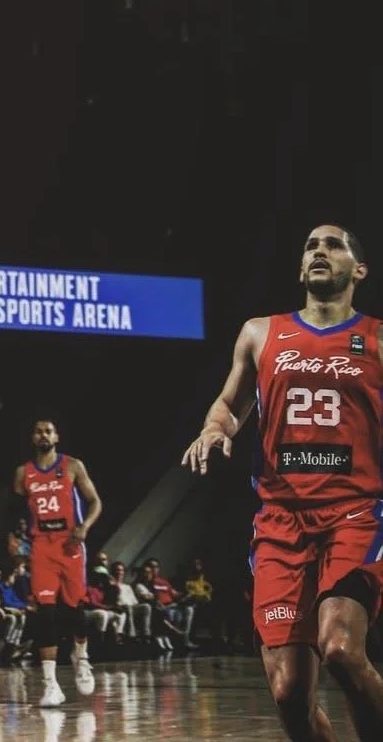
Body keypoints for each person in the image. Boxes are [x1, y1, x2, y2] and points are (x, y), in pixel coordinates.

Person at [182, 222, 383, 742]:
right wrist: (214, 429)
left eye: (333, 245)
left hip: (355, 515)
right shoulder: (260, 332)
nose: (319, 251)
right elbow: (230, 404)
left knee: (341, 649)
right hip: (279, 523)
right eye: (311, 245)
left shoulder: (378, 338)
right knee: (290, 692)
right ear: (300, 268)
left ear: (359, 270)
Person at [13, 418, 103, 707]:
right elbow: (16, 511)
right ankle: (51, 685)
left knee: (75, 610)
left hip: (70, 545)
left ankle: (81, 656)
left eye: (48, 431)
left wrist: (85, 526)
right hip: (41, 547)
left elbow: (95, 502)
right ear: (32, 438)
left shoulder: (72, 466)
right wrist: (14, 539)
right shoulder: (23, 473)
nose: (44, 435)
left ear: (56, 437)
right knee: (45, 614)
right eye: (38, 431)